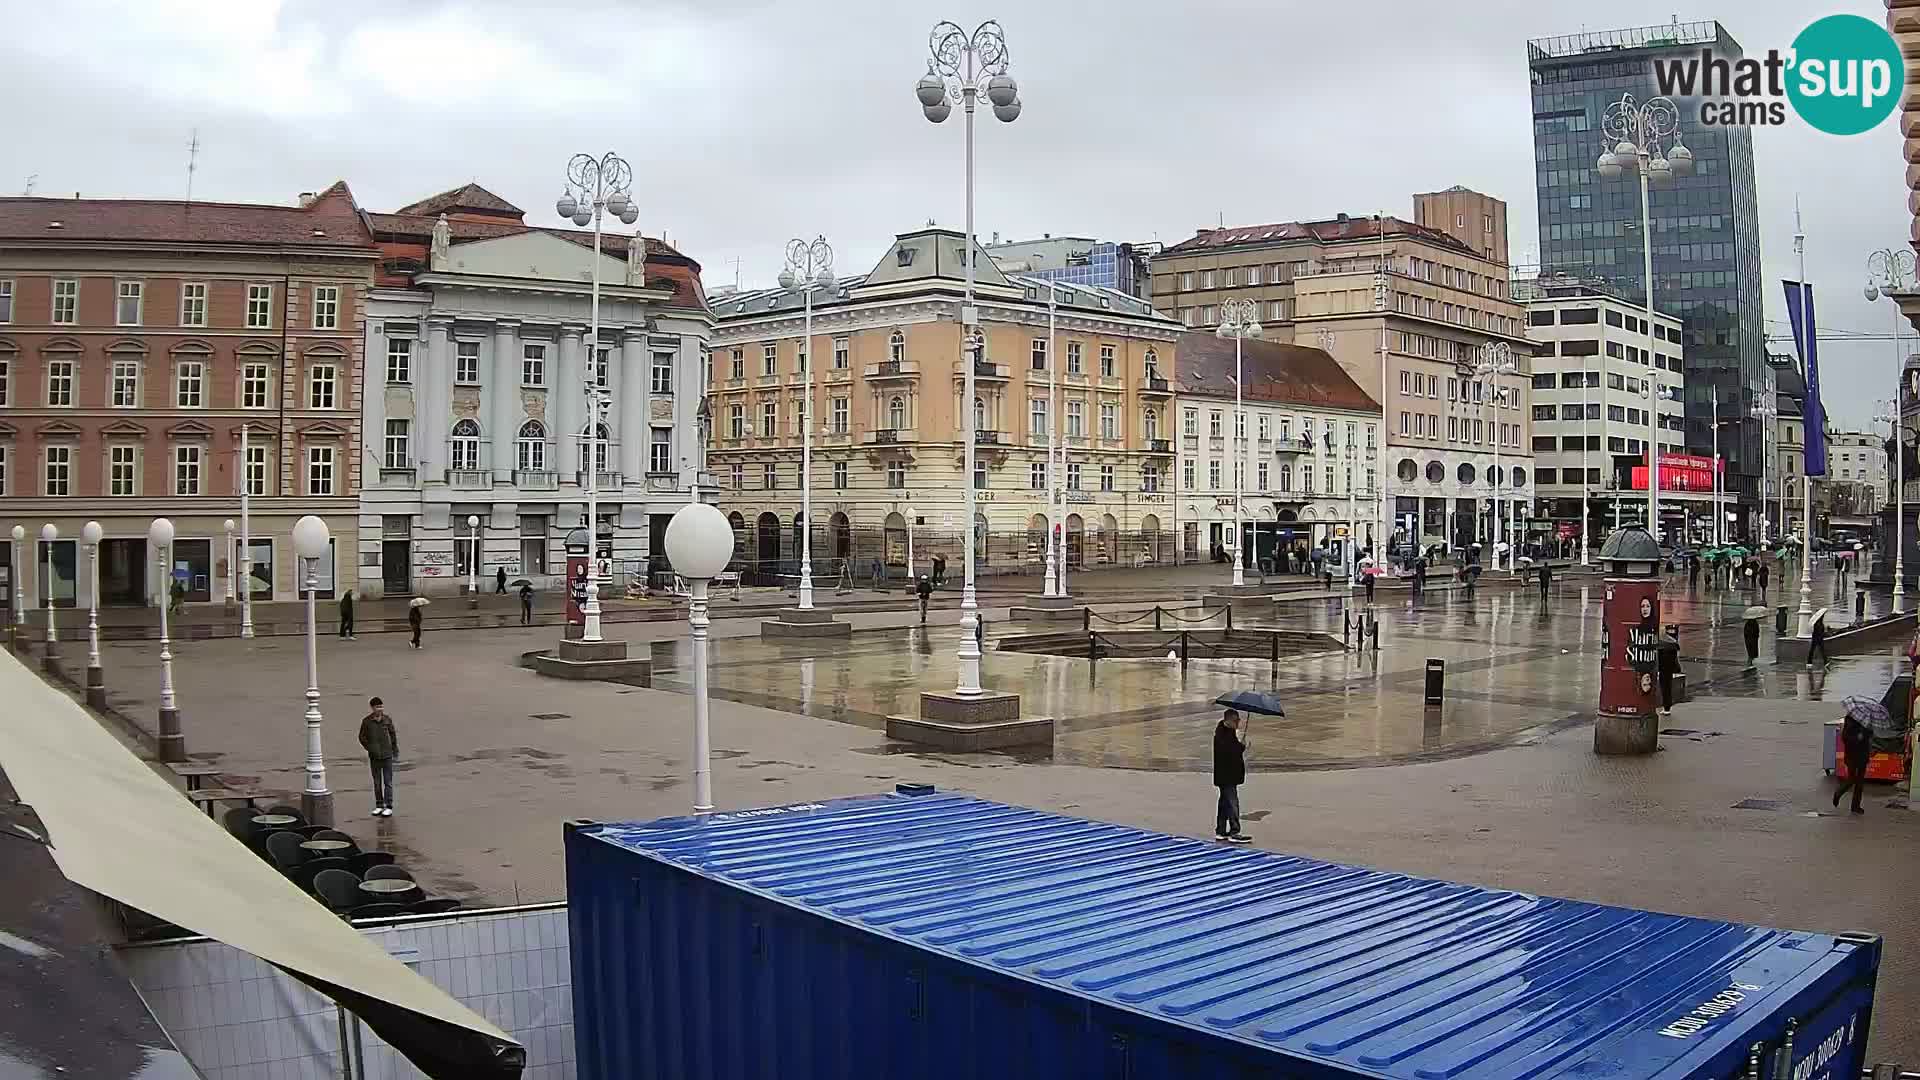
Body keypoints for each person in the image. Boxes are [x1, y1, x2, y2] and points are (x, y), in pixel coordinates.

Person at [1212, 710, 1251, 843]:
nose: (1238, 723)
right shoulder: (1223, 735)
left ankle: (1221, 831)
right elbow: (1230, 753)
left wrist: (1239, 744)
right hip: (1226, 776)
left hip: (1226, 775)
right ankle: (1234, 831)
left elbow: (1232, 750)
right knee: (1233, 803)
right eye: (1236, 721)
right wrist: (1242, 747)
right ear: (1228, 720)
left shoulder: (1226, 732)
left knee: (1224, 803)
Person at [357, 696, 399, 817]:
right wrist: (370, 748)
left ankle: (389, 806)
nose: (380, 709)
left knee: (388, 782)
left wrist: (394, 750)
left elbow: (393, 735)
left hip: (387, 756)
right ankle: (379, 805)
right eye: (377, 707)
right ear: (372, 708)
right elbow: (361, 737)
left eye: (381, 706)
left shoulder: (387, 720)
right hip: (374, 757)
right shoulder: (367, 722)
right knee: (377, 782)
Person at [1832, 706, 1874, 814]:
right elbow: (1845, 738)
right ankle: (1838, 793)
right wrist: (1857, 738)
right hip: (1852, 755)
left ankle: (1855, 806)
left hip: (1863, 755)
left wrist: (1867, 733)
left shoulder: (1867, 721)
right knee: (1852, 779)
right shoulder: (1850, 720)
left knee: (1860, 782)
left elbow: (1870, 735)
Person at [1657, 626, 1682, 716]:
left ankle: (1666, 707)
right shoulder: (1673, 644)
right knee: (1667, 687)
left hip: (1663, 669)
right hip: (1669, 669)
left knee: (1664, 687)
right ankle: (1667, 708)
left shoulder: (1661, 644)